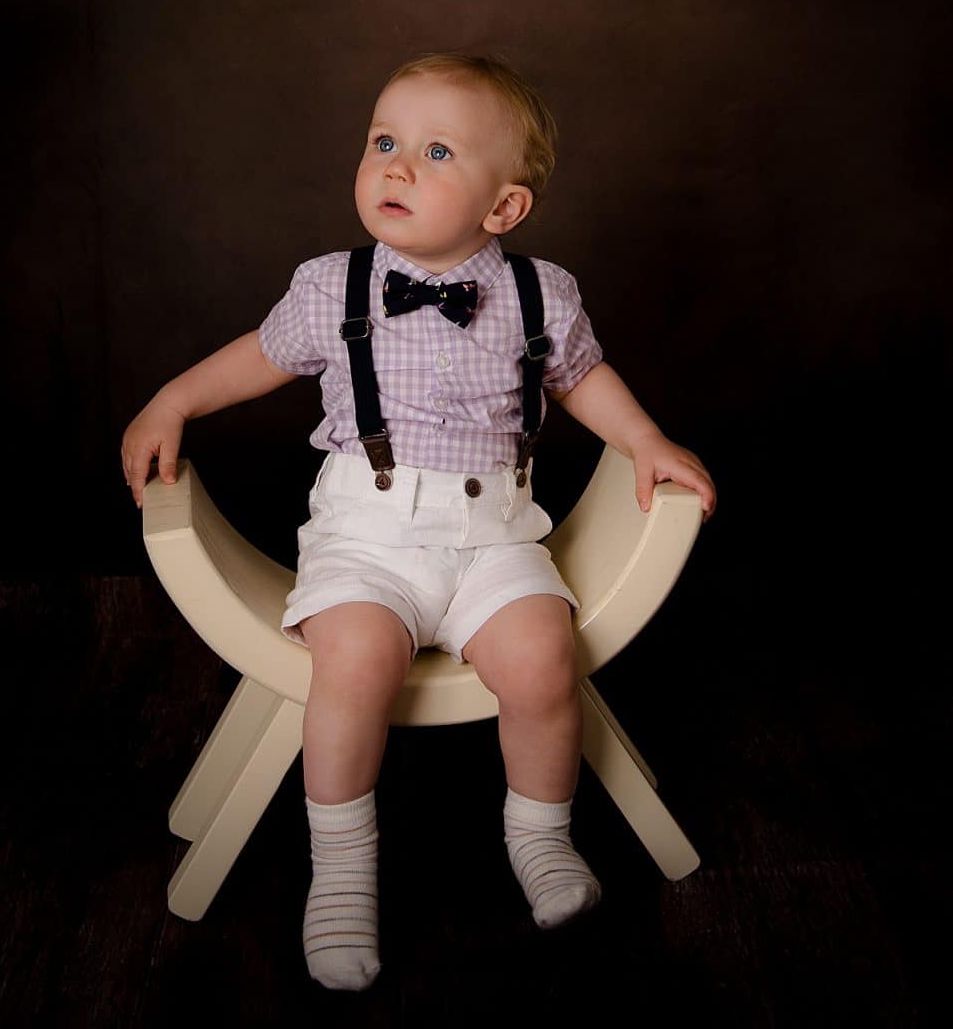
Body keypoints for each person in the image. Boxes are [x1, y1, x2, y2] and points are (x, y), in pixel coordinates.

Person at [121, 51, 716, 992]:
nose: (394, 166)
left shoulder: (541, 294)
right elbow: (260, 357)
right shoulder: (333, 286)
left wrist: (644, 440)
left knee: (542, 662)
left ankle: (540, 835)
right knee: (353, 664)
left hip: (497, 539)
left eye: (435, 152)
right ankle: (344, 867)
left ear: (503, 208)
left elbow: (583, 378)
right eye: (384, 141)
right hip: (368, 540)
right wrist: (174, 401)